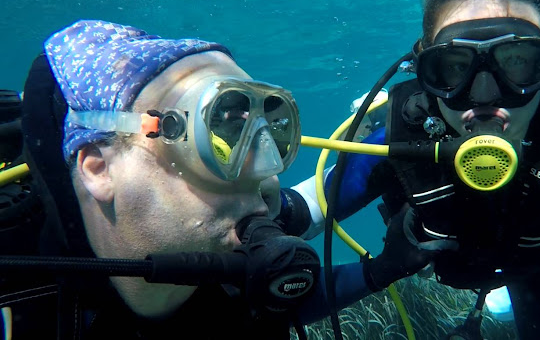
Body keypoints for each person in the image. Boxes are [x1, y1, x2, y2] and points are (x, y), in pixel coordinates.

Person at [0, 19, 456, 339]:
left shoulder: (221, 228)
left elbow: (307, 215)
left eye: (274, 134)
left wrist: (383, 266)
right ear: (98, 167)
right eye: (220, 136)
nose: (267, 177)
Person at [277, 0, 540, 339]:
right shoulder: (405, 137)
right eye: (454, 67)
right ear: (425, 72)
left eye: (517, 62)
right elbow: (302, 211)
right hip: (452, 267)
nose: (484, 97)